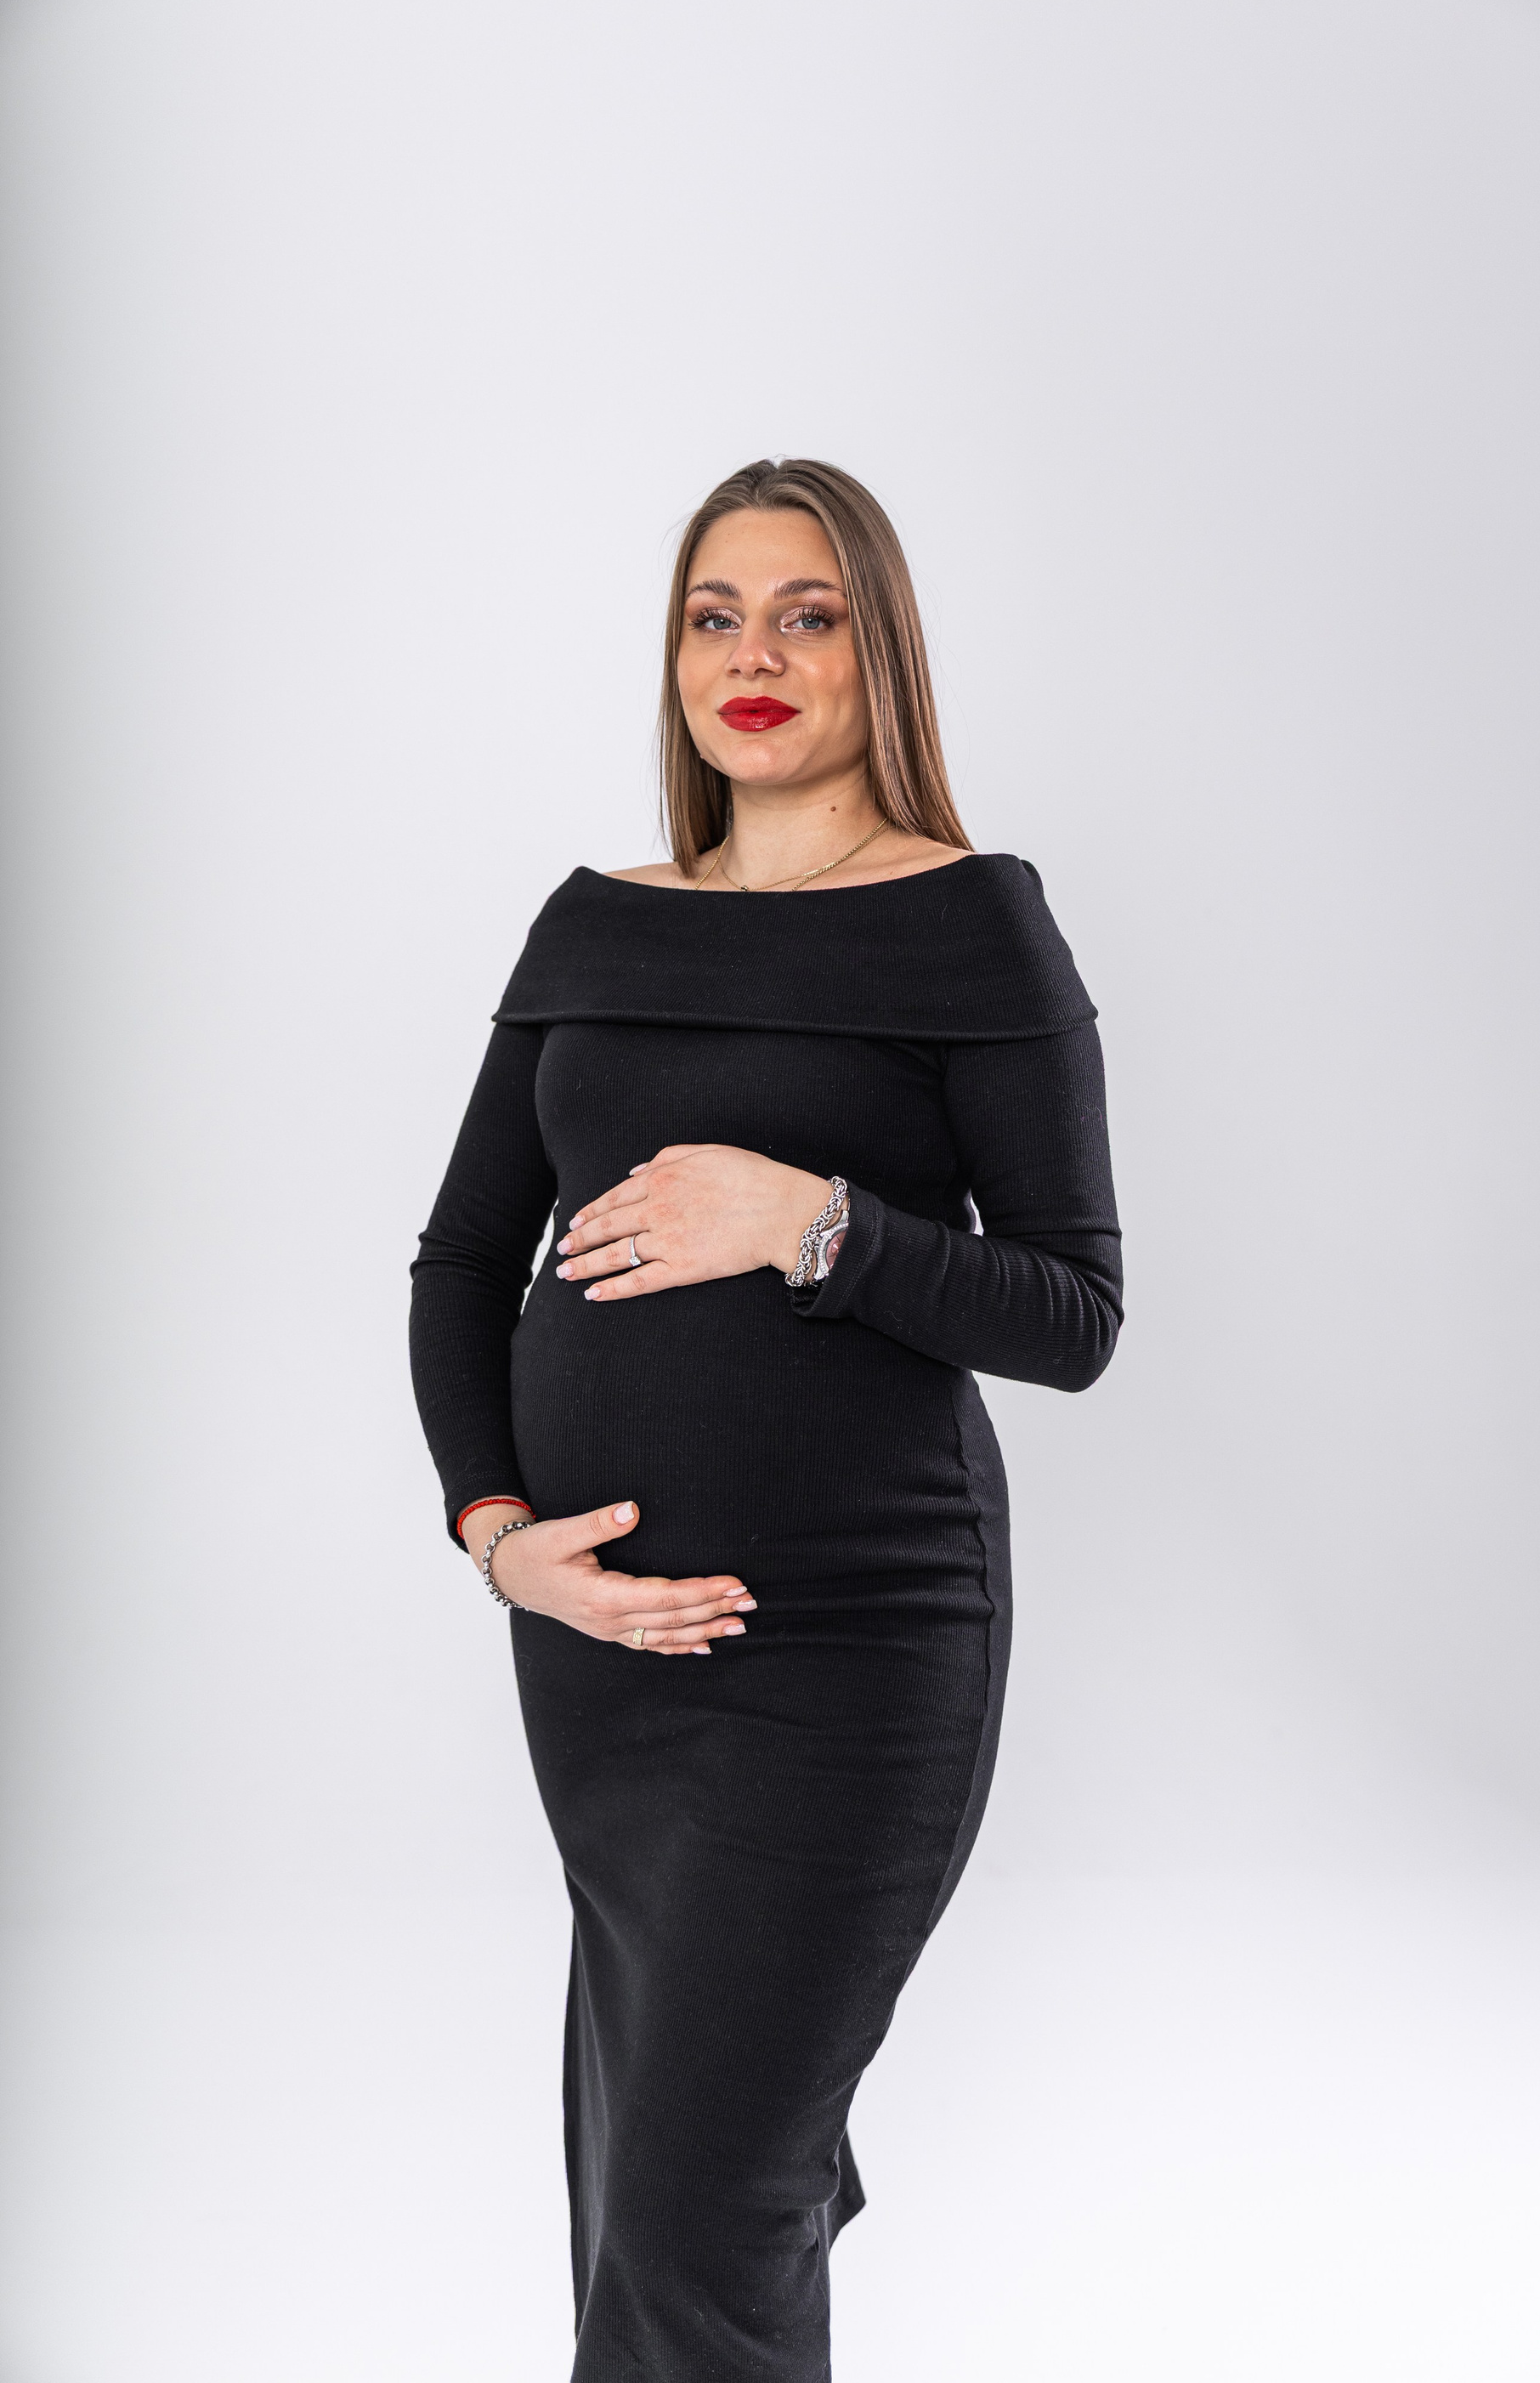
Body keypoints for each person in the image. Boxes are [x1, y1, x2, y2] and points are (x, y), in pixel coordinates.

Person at [408, 456, 1123, 2380]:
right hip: (603, 1660)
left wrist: (812, 1222)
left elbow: (1074, 1315)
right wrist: (501, 1543)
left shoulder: (973, 923)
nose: (757, 655)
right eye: (714, 615)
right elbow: (463, 1262)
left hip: (855, 1651)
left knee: (690, 2214)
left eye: (810, 615)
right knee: (662, 2175)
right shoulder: (593, 924)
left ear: (880, 649)